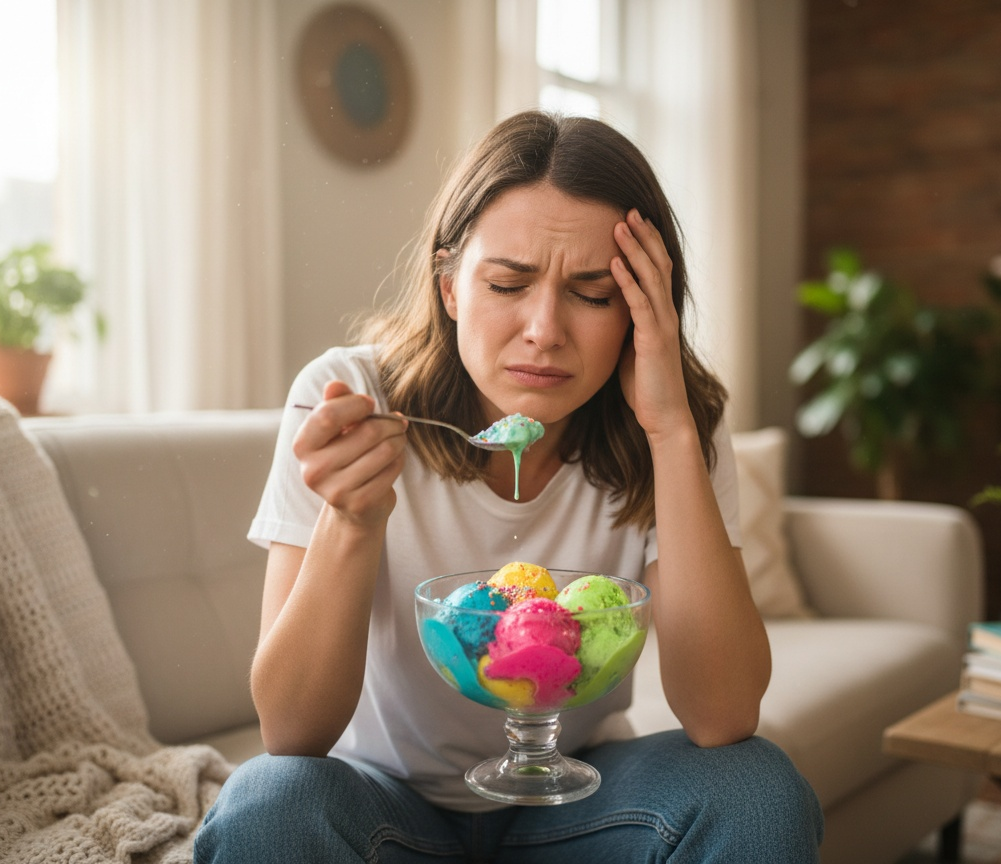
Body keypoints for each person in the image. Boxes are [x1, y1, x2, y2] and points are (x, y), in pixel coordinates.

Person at [194, 110, 823, 863]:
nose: (544, 329)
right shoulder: (348, 397)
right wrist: (352, 523)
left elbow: (722, 714)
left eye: (594, 294)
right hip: (387, 807)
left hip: (578, 805)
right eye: (507, 283)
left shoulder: (681, 423)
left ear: (640, 309)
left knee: (759, 790)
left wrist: (671, 433)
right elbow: (291, 732)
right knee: (266, 807)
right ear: (450, 283)